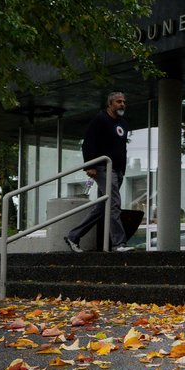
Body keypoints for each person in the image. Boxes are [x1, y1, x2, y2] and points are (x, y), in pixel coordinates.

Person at [65, 91, 132, 253]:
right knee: (114, 203)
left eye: (123, 102)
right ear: (110, 104)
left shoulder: (123, 123)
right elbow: (88, 143)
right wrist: (90, 165)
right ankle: (119, 244)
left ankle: (73, 236)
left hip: (117, 169)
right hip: (103, 167)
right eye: (118, 102)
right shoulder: (100, 119)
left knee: (103, 207)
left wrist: (122, 168)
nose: (122, 104)